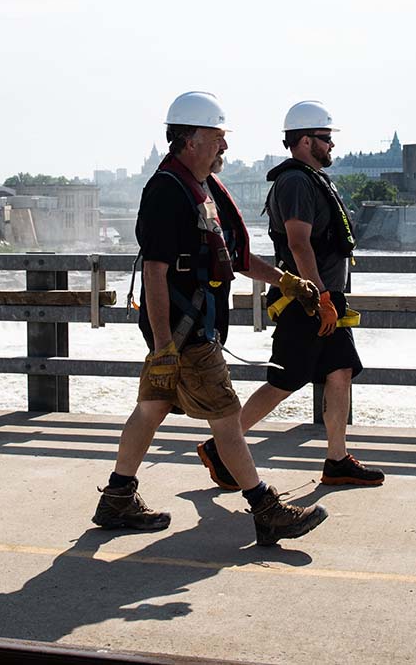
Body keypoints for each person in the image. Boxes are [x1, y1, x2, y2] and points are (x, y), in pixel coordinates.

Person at [92, 91, 329, 546]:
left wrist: (287, 282)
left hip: (187, 327)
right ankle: (266, 509)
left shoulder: (206, 187)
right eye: (218, 137)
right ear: (191, 139)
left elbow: (235, 255)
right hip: (185, 330)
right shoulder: (166, 191)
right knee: (226, 415)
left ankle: (118, 496)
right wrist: (164, 346)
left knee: (153, 407)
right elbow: (157, 275)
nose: (225, 147)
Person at [197, 100, 386, 491]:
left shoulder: (312, 177)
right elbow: (300, 245)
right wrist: (320, 298)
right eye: (324, 138)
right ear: (303, 141)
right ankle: (220, 447)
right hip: (309, 300)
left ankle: (336, 459)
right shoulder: (297, 182)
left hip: (324, 297)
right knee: (285, 379)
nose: (330, 145)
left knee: (340, 371)